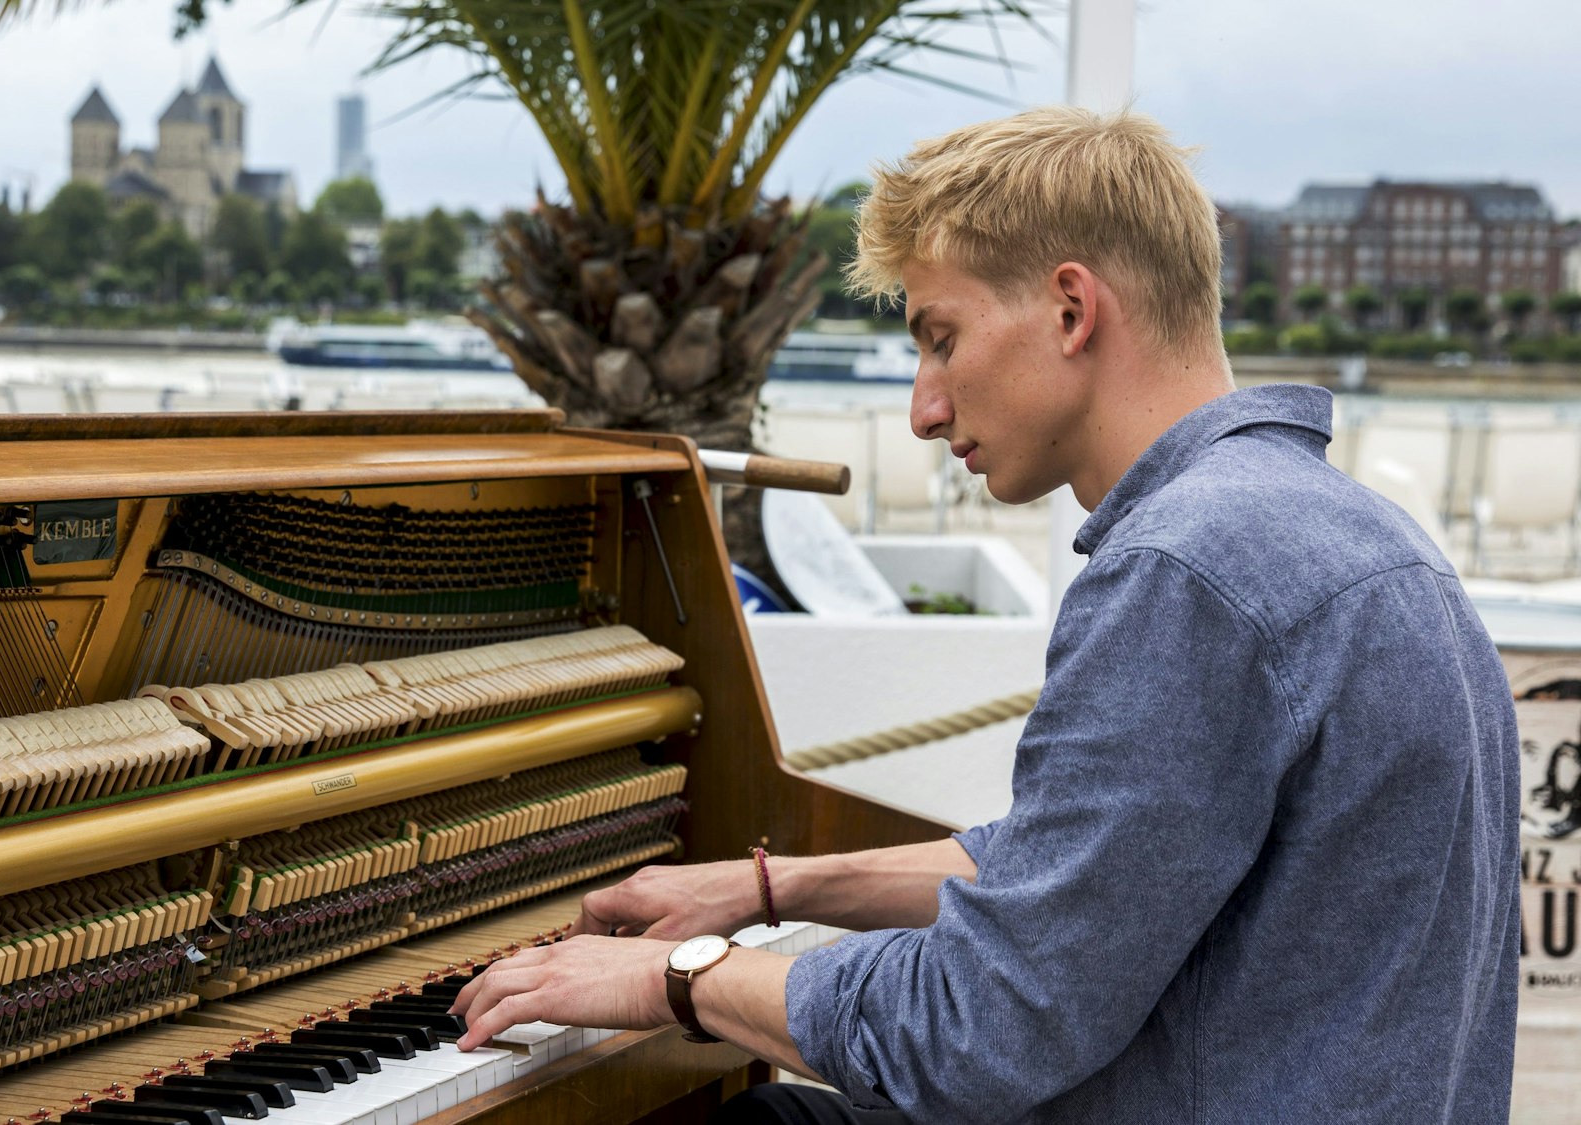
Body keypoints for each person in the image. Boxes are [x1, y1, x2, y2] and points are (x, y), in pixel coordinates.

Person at [447, 106, 1519, 1122]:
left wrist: (677, 978)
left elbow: (976, 1033)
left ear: (1069, 308)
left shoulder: (1183, 571)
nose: (921, 408)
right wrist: (772, 886)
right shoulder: (1365, 540)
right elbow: (1108, 865)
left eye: (939, 337)